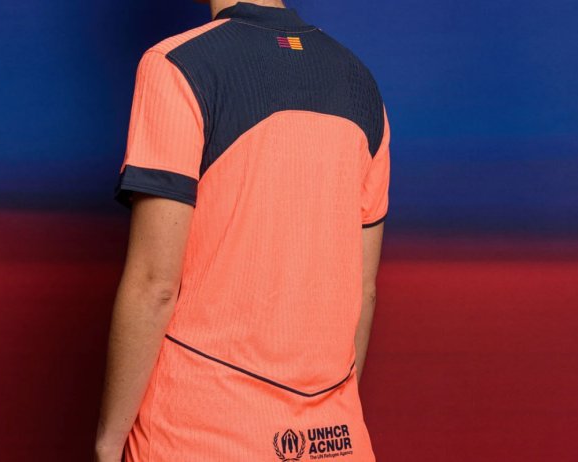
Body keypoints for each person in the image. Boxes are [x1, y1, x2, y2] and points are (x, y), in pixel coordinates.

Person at [94, 1, 390, 461]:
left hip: (195, 434)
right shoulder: (359, 81)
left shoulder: (177, 66)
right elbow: (363, 291)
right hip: (334, 438)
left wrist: (108, 443)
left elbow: (155, 285)